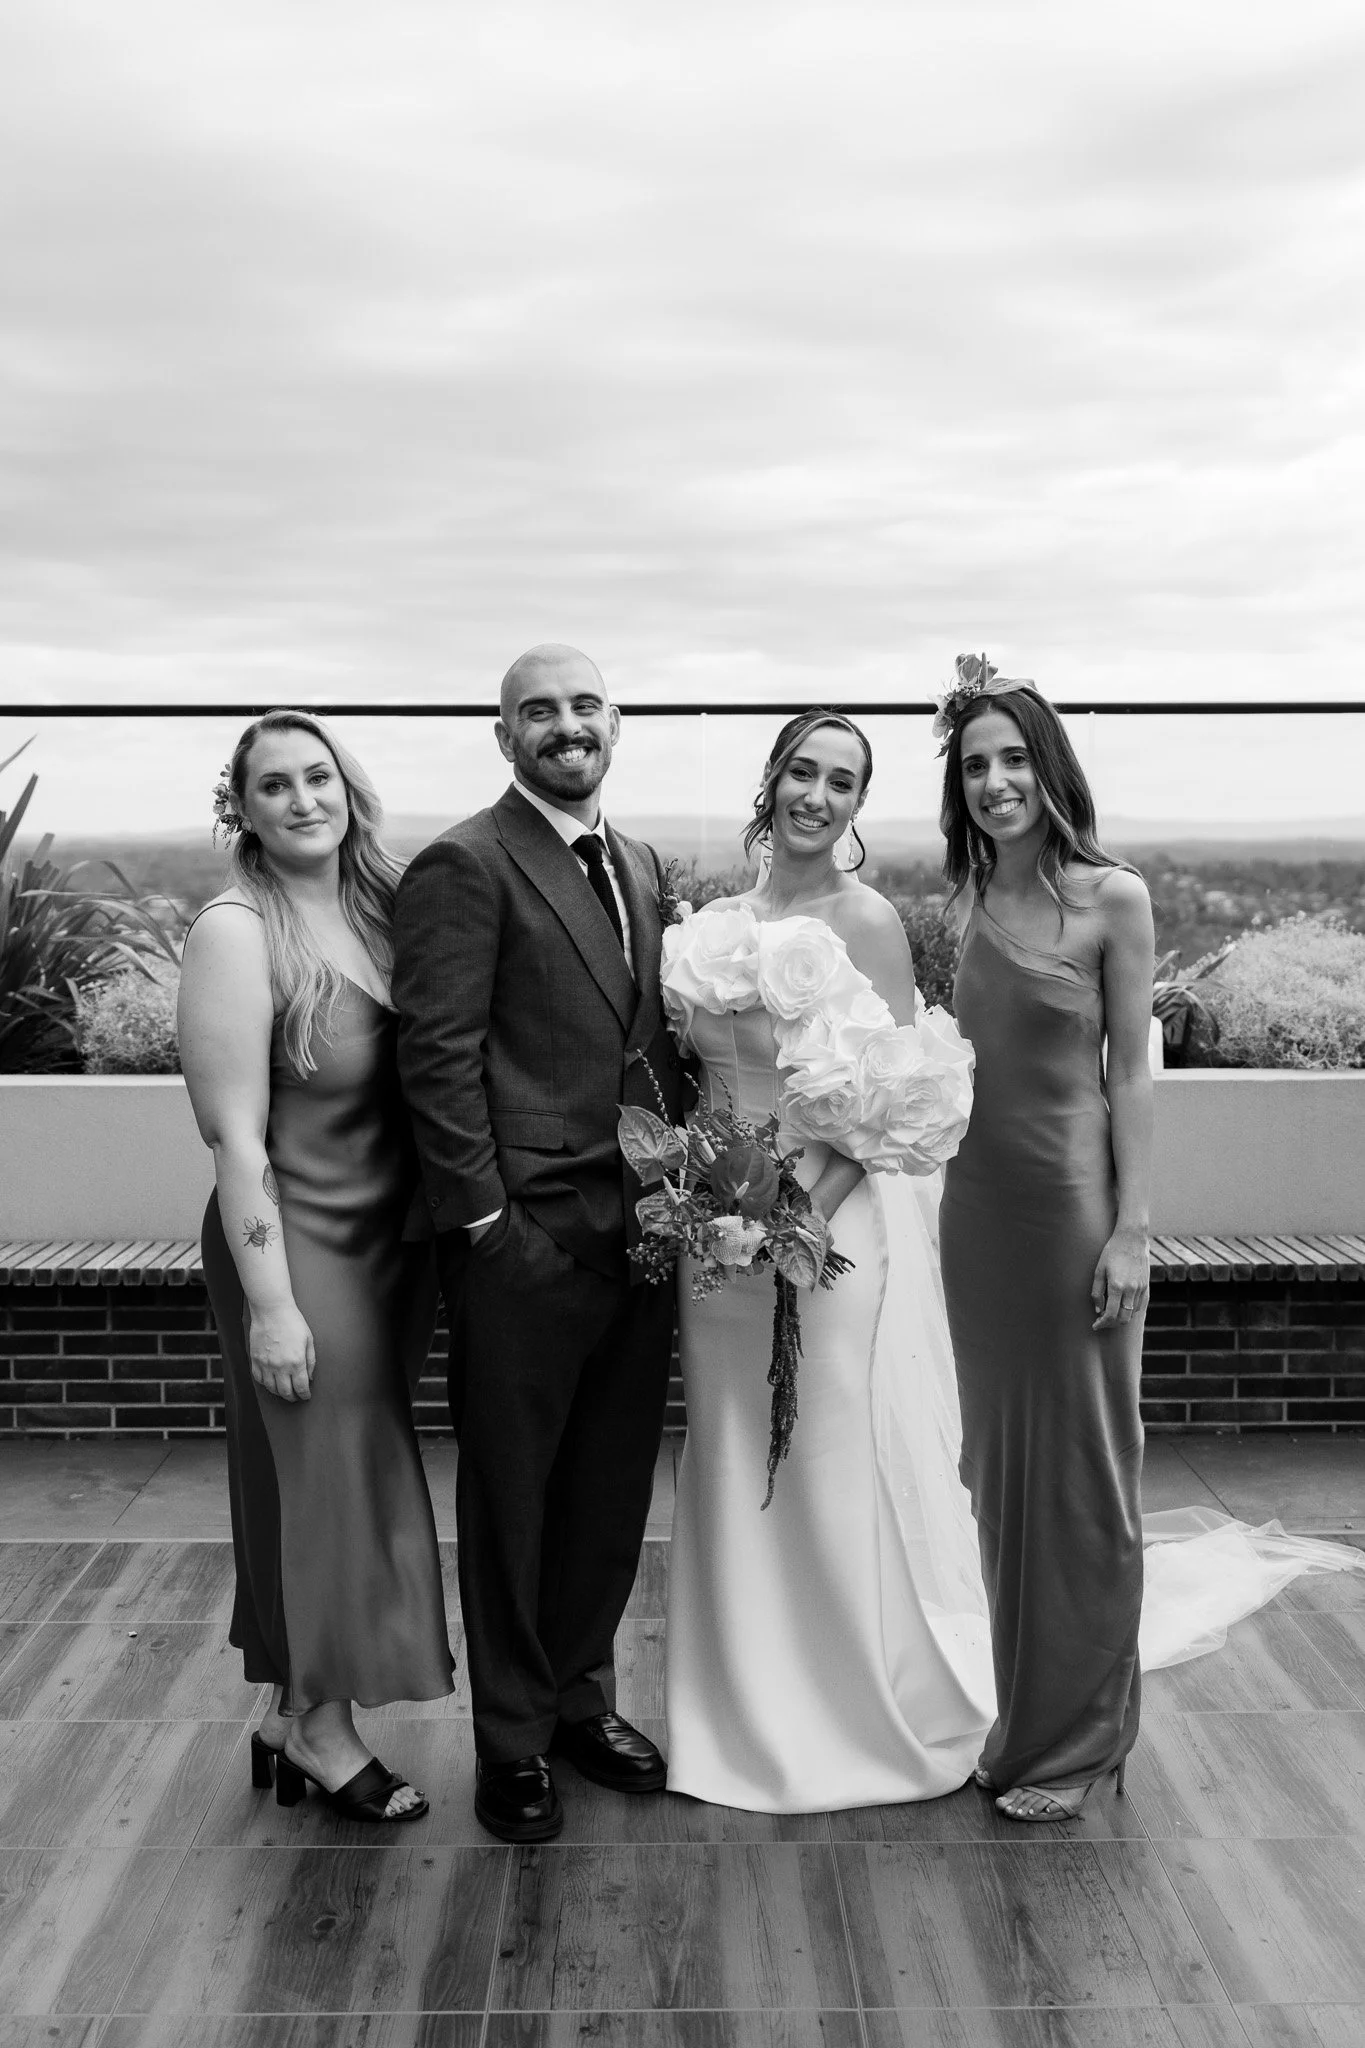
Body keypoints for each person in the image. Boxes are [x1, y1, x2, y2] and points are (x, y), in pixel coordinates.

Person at [663, 710, 996, 1813]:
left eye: (841, 780)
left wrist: (793, 1218)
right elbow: (698, 1085)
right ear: (772, 779)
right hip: (710, 1235)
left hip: (826, 1232)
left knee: (825, 1451)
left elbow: (891, 1100)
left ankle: (853, 1707)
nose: (816, 792)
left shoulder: (872, 922)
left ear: (858, 805)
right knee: (725, 1449)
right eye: (802, 769)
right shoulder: (714, 922)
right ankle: (736, 1706)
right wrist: (706, 1204)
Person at [391, 643, 688, 1843]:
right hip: (522, 1241)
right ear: (502, 733)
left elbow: (654, 1043)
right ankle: (510, 1738)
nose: (566, 725)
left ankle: (579, 1698)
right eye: (538, 710)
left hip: (642, 1239)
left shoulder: (643, 860)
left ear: (615, 721)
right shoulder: (465, 863)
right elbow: (437, 1060)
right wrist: (485, 1228)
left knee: (609, 1495)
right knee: (514, 1501)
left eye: (584, 704)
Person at [179, 709, 452, 1826]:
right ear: (240, 808)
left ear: (350, 788)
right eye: (275, 784)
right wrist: (274, 1303)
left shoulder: (382, 908)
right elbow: (233, 1138)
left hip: (391, 1246)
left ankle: (295, 1710)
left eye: (319, 776)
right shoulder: (235, 932)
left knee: (329, 1482)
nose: (303, 799)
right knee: (341, 1473)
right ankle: (324, 1727)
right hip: (294, 1242)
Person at [934, 663, 1155, 1819]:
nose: (995, 780)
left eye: (1013, 757)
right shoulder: (969, 902)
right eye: (974, 764)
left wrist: (1133, 1226)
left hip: (1073, 1220)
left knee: (1079, 1477)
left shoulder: (1112, 896)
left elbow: (1133, 1070)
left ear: (1049, 765)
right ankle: (1025, 1719)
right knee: (1003, 1482)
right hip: (976, 1219)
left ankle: (1078, 1740)